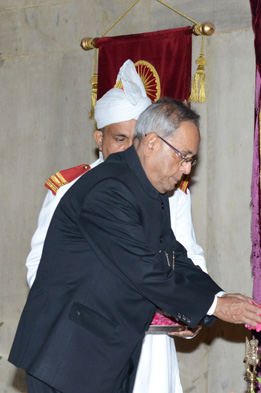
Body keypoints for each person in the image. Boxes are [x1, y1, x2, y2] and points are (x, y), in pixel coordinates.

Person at [10, 97, 261, 393]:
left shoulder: (145, 187)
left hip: (100, 352)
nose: (186, 170)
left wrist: (216, 295)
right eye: (183, 157)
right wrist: (216, 306)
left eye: (190, 160)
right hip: (67, 355)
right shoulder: (110, 189)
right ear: (152, 143)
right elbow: (146, 269)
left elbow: (174, 257)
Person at [24, 60, 204, 393]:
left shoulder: (170, 187)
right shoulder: (71, 187)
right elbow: (42, 269)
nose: (130, 149)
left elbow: (185, 255)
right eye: (121, 138)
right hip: (86, 340)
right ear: (99, 138)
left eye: (137, 138)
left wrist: (191, 313)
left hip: (152, 339)